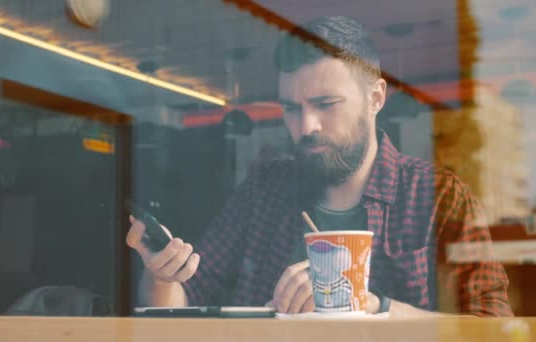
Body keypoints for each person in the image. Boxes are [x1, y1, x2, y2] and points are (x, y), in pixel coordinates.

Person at [126, 16, 513, 317]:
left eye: (326, 104)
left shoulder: (436, 196)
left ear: (376, 97)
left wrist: (375, 306)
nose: (306, 126)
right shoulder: (265, 190)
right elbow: (183, 300)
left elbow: (490, 327)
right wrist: (162, 275)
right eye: (291, 108)